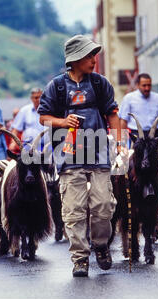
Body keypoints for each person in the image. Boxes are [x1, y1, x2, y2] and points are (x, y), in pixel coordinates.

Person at [38, 34, 122, 277]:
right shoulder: (57, 86)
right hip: (69, 156)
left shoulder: (100, 83)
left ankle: (101, 244)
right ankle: (80, 259)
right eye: (89, 55)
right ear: (74, 59)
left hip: (99, 153)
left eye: (94, 54)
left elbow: (113, 114)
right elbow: (43, 117)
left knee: (103, 205)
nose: (94, 59)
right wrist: (63, 121)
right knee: (73, 210)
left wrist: (119, 144)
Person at [118, 73, 158, 150]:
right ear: (137, 85)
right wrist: (122, 143)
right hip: (136, 136)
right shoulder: (128, 98)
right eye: (144, 85)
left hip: (154, 135)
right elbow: (123, 121)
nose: (147, 88)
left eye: (149, 85)